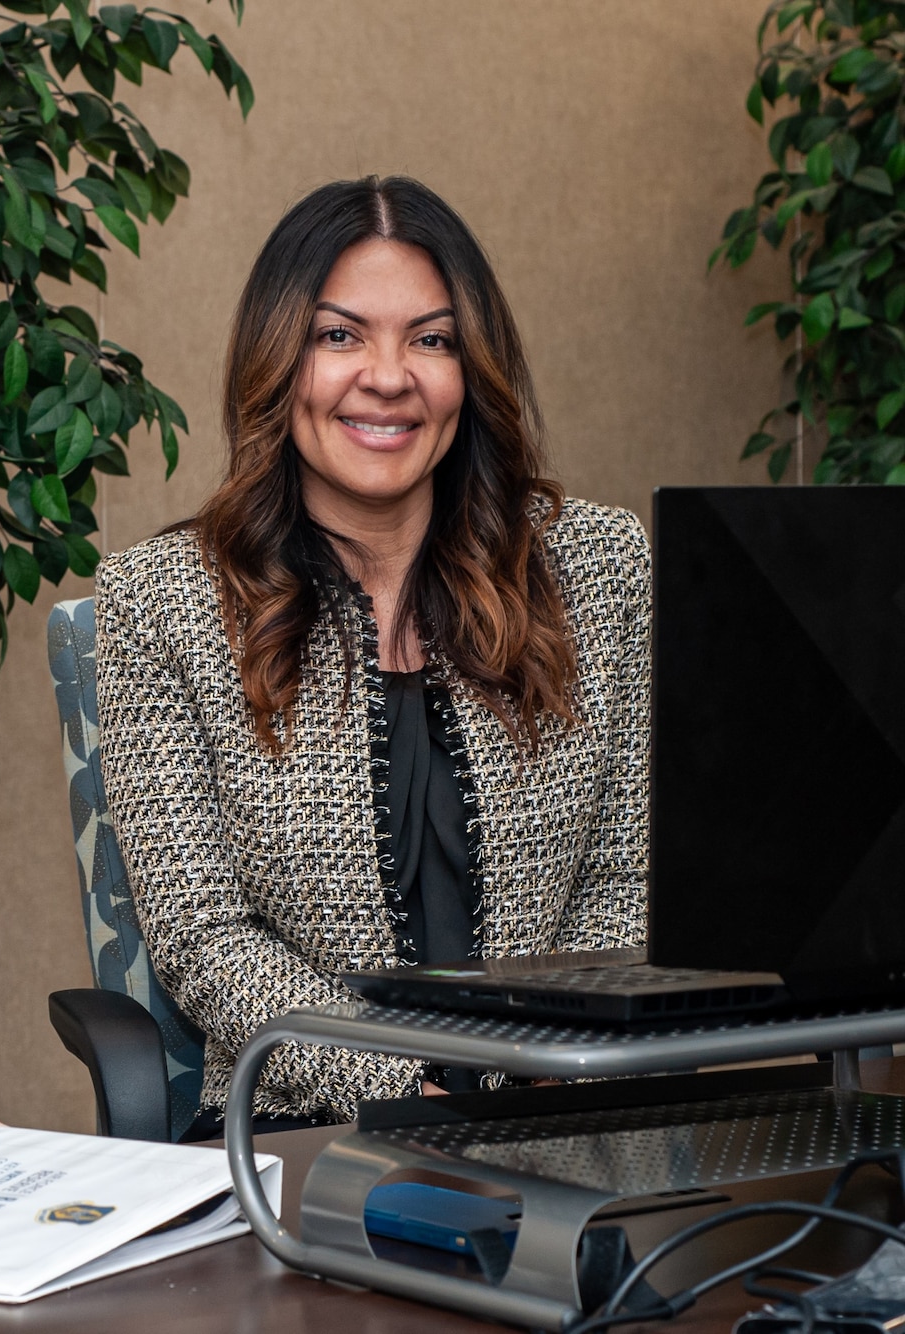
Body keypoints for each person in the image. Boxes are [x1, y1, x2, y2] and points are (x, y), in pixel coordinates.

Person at [92, 176, 648, 1132]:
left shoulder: (597, 567)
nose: (388, 376)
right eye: (338, 335)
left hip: (567, 1123)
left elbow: (626, 879)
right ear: (278, 361)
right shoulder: (164, 600)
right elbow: (204, 939)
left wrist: (564, 1065)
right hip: (310, 1136)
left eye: (430, 339)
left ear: (471, 369)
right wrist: (396, 1091)